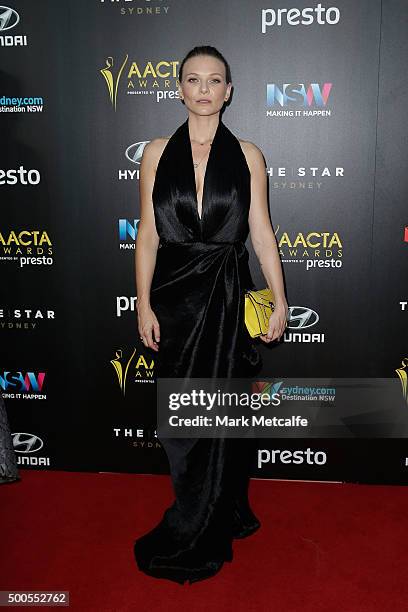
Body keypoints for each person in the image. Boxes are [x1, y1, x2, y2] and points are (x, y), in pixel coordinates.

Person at [133, 45, 288, 584]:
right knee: (182, 421)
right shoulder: (154, 153)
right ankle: (194, 511)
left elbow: (262, 232)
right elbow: (147, 235)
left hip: (225, 298)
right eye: (193, 79)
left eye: (214, 79)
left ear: (229, 91)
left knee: (222, 419)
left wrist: (280, 296)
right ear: (179, 88)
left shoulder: (248, 155)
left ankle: (214, 516)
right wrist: (143, 301)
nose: (203, 88)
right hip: (175, 300)